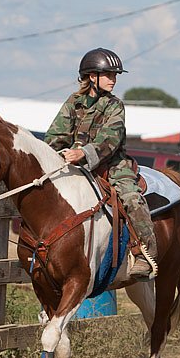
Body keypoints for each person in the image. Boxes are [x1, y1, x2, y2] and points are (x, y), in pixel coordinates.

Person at [44, 47, 157, 280]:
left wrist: (82, 153)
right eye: (109, 75)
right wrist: (58, 153)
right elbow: (55, 136)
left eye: (115, 75)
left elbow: (110, 140)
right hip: (76, 165)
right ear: (91, 76)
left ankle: (144, 253)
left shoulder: (115, 105)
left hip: (112, 165)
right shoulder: (73, 102)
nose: (113, 80)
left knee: (132, 199)